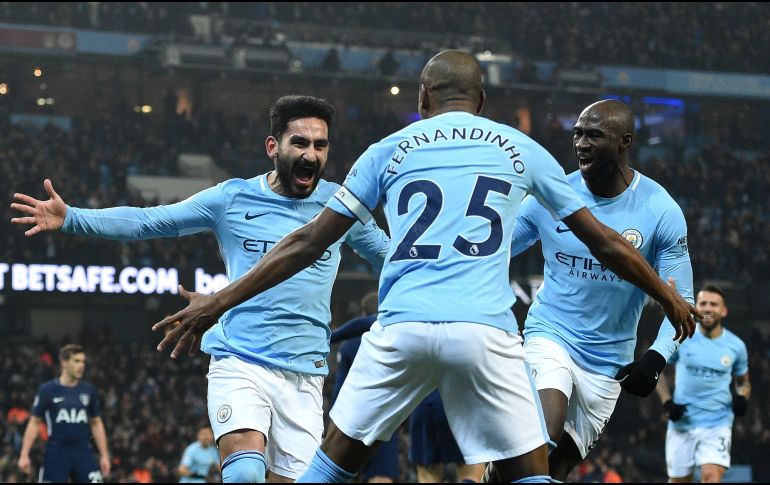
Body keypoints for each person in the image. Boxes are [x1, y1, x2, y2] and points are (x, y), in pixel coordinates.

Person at [152, 50, 698, 483]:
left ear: (421, 97)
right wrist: (668, 295)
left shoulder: (385, 148)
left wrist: (219, 301)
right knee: (533, 475)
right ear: (481, 100)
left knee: (331, 463)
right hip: (485, 332)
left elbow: (305, 242)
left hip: (402, 328)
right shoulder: (523, 150)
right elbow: (604, 242)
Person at [10, 95, 390, 483]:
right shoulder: (232, 198)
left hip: (304, 374)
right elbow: (149, 221)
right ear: (273, 147)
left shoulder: (342, 207)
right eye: (300, 143)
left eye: (320, 145)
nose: (311, 154)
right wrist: (73, 218)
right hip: (241, 360)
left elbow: (392, 259)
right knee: (244, 475)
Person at [486, 99, 696, 481]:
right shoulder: (553, 196)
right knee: (542, 436)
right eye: (577, 133)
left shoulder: (660, 210)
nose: (581, 143)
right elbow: (495, 248)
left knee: (557, 467)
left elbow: (683, 303)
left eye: (594, 135)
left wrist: (655, 357)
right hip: (550, 335)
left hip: (608, 362)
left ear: (625, 141)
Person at [333, 295, 483, 484]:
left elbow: (364, 323)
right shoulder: (463, 318)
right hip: (453, 407)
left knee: (427, 475)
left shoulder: (404, 320)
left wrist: (330, 337)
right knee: (470, 470)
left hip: (417, 410)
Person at [655, 285, 750, 483]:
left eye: (713, 304)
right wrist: (667, 402)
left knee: (711, 478)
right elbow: (658, 370)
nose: (707, 308)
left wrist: (742, 397)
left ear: (723, 311)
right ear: (695, 307)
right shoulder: (681, 337)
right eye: (703, 303)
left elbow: (743, 382)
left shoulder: (736, 346)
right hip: (682, 422)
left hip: (718, 423)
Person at [331, 292, 400, 483]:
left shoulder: (348, 345)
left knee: (336, 473)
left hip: (349, 418)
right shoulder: (396, 338)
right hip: (383, 416)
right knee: (381, 475)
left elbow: (340, 388)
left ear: (363, 313)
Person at [17, 344, 110, 483]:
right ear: (64, 362)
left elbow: (96, 423)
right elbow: (34, 422)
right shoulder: (47, 390)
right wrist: (24, 454)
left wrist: (104, 455)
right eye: (76, 361)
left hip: (83, 452)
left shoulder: (88, 391)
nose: (81, 365)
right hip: (57, 453)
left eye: (83, 361)